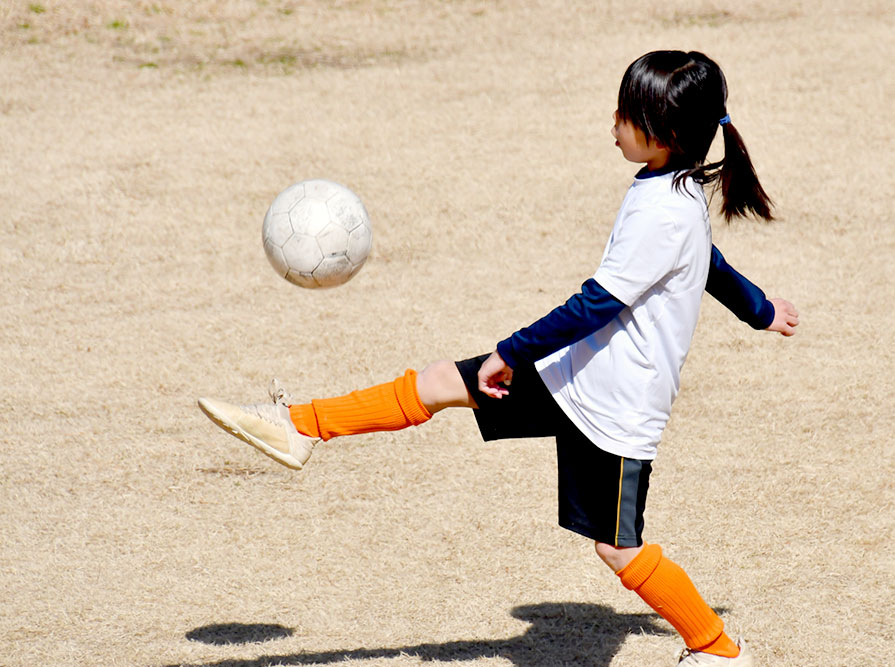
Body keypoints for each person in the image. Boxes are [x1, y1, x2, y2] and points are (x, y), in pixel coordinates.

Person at [199, 50, 798, 666]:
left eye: (626, 113)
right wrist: (759, 309)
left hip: (615, 409)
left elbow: (596, 304)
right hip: (574, 375)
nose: (613, 123)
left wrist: (510, 351)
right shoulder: (671, 185)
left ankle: (718, 649)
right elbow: (710, 263)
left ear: (665, 133)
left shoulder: (665, 209)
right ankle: (299, 426)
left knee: (618, 550)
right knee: (439, 382)